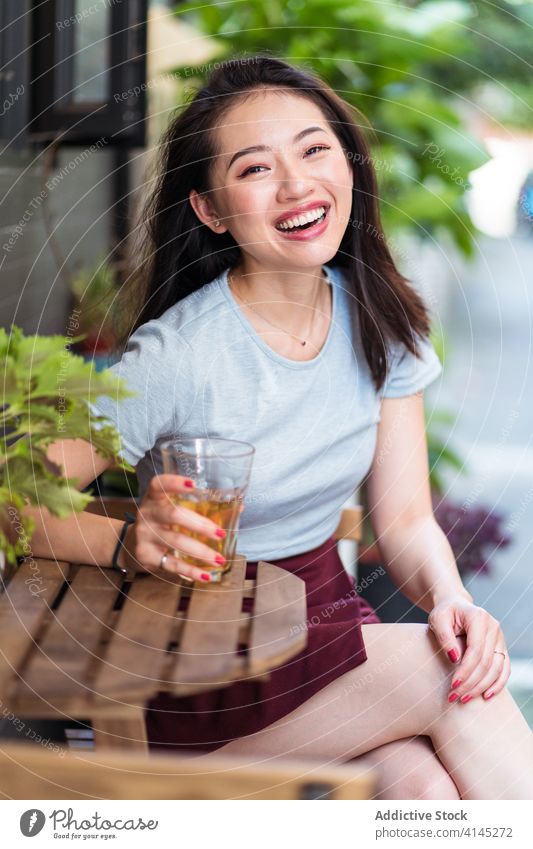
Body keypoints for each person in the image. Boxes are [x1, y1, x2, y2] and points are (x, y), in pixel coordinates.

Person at [29, 55, 533, 799]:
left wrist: (450, 596)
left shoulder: (381, 317)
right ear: (210, 209)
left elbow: (401, 517)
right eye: (255, 168)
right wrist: (127, 538)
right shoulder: (178, 354)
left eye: (313, 148)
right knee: (456, 678)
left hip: (323, 625)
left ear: (347, 164)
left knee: (423, 794)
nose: (297, 184)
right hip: (199, 667)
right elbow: (15, 499)